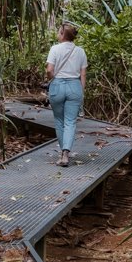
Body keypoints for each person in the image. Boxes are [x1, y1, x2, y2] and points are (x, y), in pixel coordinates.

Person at [45, 22, 88, 168]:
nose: (57, 34)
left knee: (59, 120)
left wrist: (54, 76)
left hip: (57, 86)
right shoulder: (80, 51)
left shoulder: (55, 49)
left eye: (59, 32)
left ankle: (63, 153)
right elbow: (83, 75)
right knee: (70, 121)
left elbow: (49, 70)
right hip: (75, 86)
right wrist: (81, 92)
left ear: (63, 34)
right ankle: (66, 154)